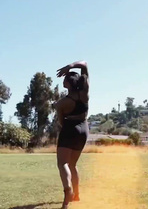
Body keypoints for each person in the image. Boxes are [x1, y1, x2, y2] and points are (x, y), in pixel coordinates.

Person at [55, 61, 89, 209]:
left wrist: (68, 131)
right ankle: (76, 194)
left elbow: (61, 122)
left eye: (65, 79)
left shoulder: (62, 103)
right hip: (84, 129)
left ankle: (67, 190)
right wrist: (70, 67)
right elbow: (84, 65)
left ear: (68, 84)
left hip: (70, 128)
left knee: (63, 163)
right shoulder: (85, 93)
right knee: (73, 164)